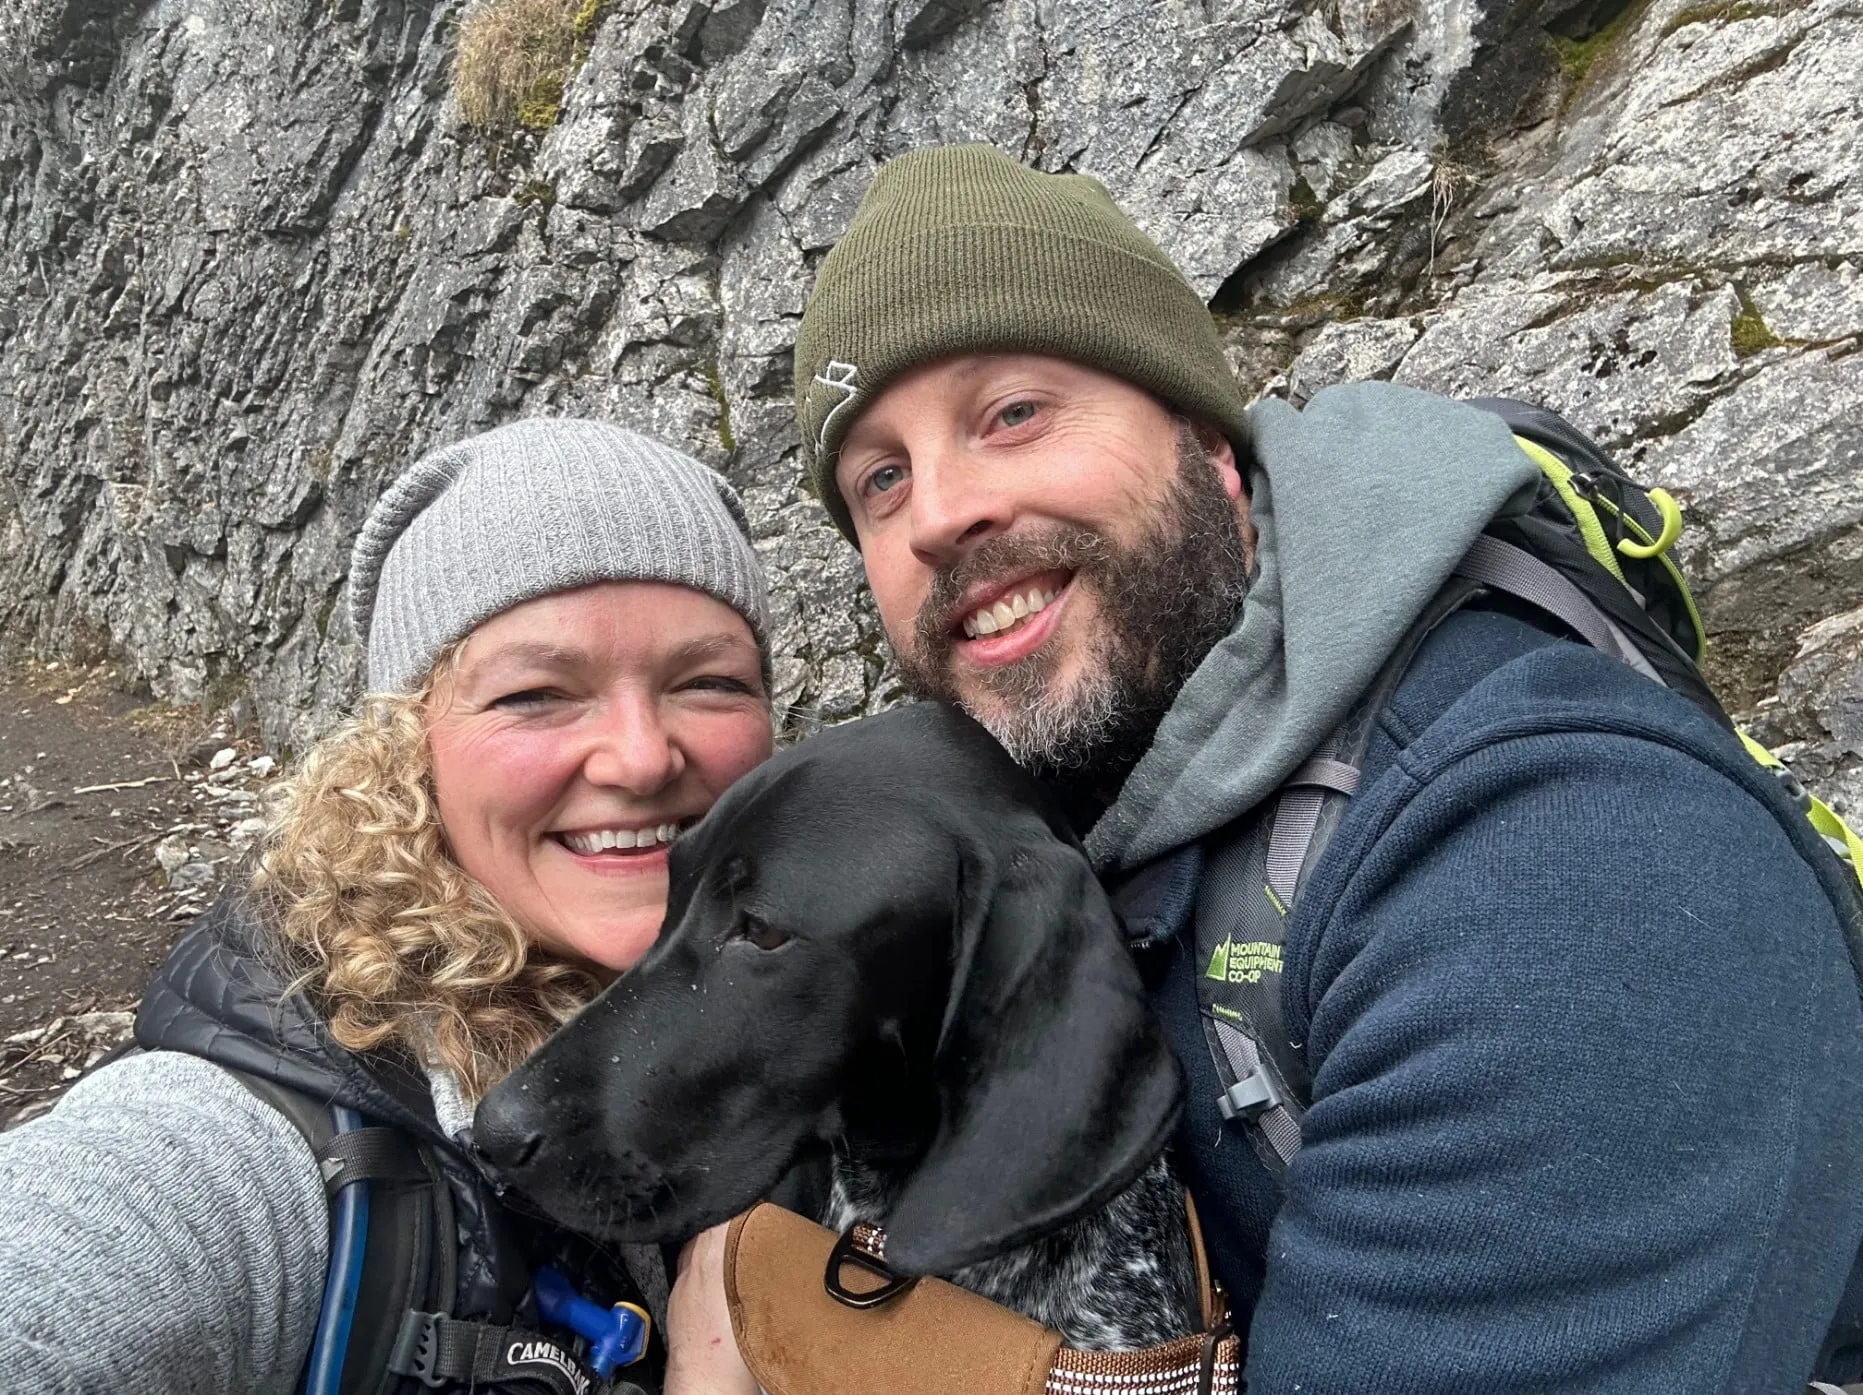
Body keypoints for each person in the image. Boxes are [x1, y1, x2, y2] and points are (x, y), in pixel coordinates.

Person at [733, 143, 1863, 1391]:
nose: (938, 512)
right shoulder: (1080, 815)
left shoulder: (1558, 860)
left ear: (1212, 451)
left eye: (1012, 413)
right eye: (879, 480)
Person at [0, 418, 770, 1395]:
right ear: (411, 752)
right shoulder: (241, 1159)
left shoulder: (825, 1022)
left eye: (709, 683)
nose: (643, 755)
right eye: (537, 693)